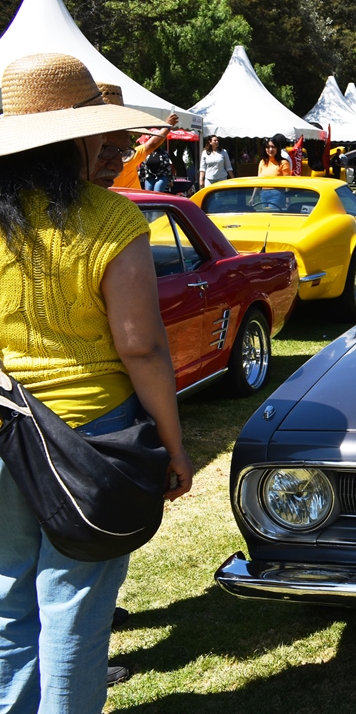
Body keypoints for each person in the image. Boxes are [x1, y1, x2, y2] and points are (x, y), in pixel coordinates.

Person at [0, 52, 194, 712]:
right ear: (78, 133)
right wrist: (173, 444)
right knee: (74, 609)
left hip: (3, 427)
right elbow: (140, 345)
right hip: (93, 439)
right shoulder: (111, 219)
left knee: (5, 604)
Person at [100, 82, 178, 190]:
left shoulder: (90, 164)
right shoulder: (128, 158)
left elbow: (152, 144)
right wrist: (167, 127)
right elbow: (153, 144)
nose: (117, 165)